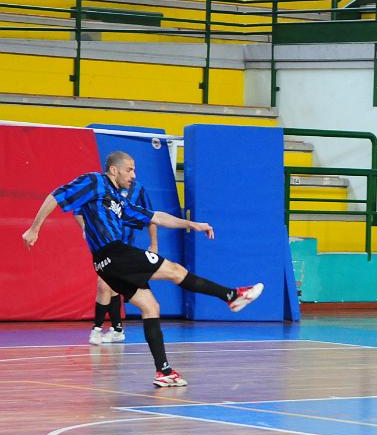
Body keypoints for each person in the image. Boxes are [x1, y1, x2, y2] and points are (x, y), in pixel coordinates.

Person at [22, 151, 263, 387]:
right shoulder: (95, 181)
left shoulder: (120, 201)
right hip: (115, 253)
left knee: (151, 307)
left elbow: (155, 217)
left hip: (105, 265)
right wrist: (34, 229)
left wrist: (191, 224)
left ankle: (164, 371)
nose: (133, 175)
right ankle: (231, 296)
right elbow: (56, 195)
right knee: (176, 271)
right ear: (114, 170)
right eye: (129, 170)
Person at [77, 177, 157, 345]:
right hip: (106, 244)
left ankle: (103, 329)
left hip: (125, 246)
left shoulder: (138, 189)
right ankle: (112, 329)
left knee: (109, 285)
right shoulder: (100, 187)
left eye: (133, 169)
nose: (132, 174)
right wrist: (85, 227)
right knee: (106, 284)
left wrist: (154, 244)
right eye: (129, 169)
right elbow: (78, 209)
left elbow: (151, 217)